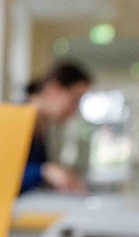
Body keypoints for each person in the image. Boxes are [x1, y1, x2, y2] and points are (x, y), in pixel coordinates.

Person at [20, 62, 92, 194]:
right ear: (54, 90)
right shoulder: (14, 121)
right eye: (74, 100)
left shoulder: (41, 128)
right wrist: (44, 171)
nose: (74, 111)